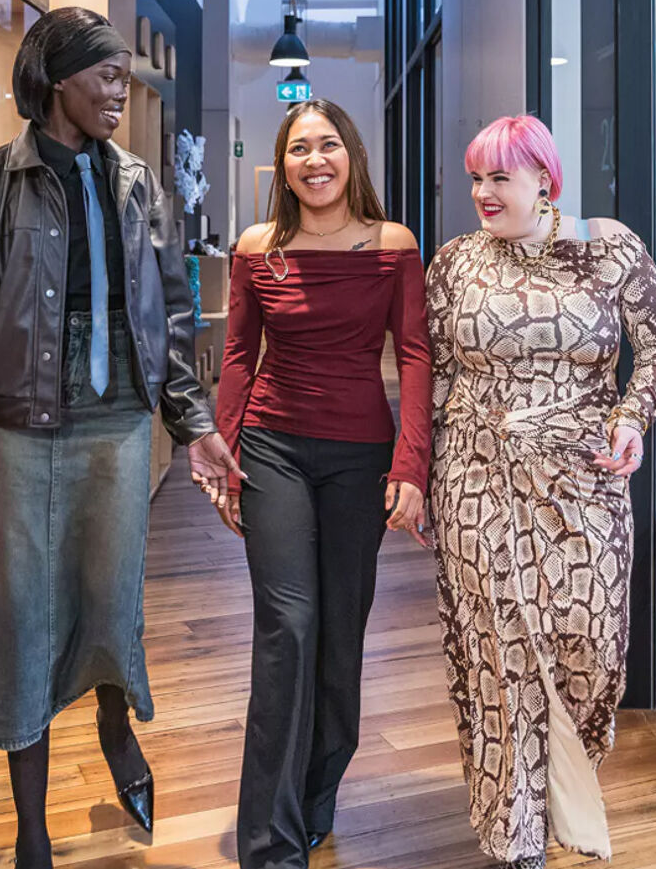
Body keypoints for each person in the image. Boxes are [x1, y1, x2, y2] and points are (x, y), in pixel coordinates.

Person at [0, 7, 241, 869]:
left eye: (125, 75)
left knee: (110, 594)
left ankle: (111, 720)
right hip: (21, 429)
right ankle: (31, 833)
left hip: (119, 423)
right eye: (106, 74)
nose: (119, 89)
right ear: (59, 78)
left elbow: (171, 316)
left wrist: (194, 424)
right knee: (20, 617)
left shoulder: (137, 182)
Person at [425, 115, 656, 867]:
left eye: (498, 177)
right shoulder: (454, 264)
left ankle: (561, 779)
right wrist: (422, 471)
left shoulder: (609, 247)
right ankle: (516, 834)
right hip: (477, 476)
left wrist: (633, 417)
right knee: (499, 654)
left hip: (583, 482)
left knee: (589, 641)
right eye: (475, 177)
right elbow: (434, 372)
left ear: (545, 179)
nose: (482, 192)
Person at [210, 99, 432, 869]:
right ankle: (268, 843)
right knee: (288, 627)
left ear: (351, 155)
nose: (315, 160)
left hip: (359, 456)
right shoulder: (257, 247)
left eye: (327, 144)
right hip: (272, 448)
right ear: (283, 165)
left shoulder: (393, 244)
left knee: (340, 632)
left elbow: (415, 358)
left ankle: (316, 789)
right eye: (299, 148)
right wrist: (222, 453)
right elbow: (238, 357)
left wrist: (410, 465)